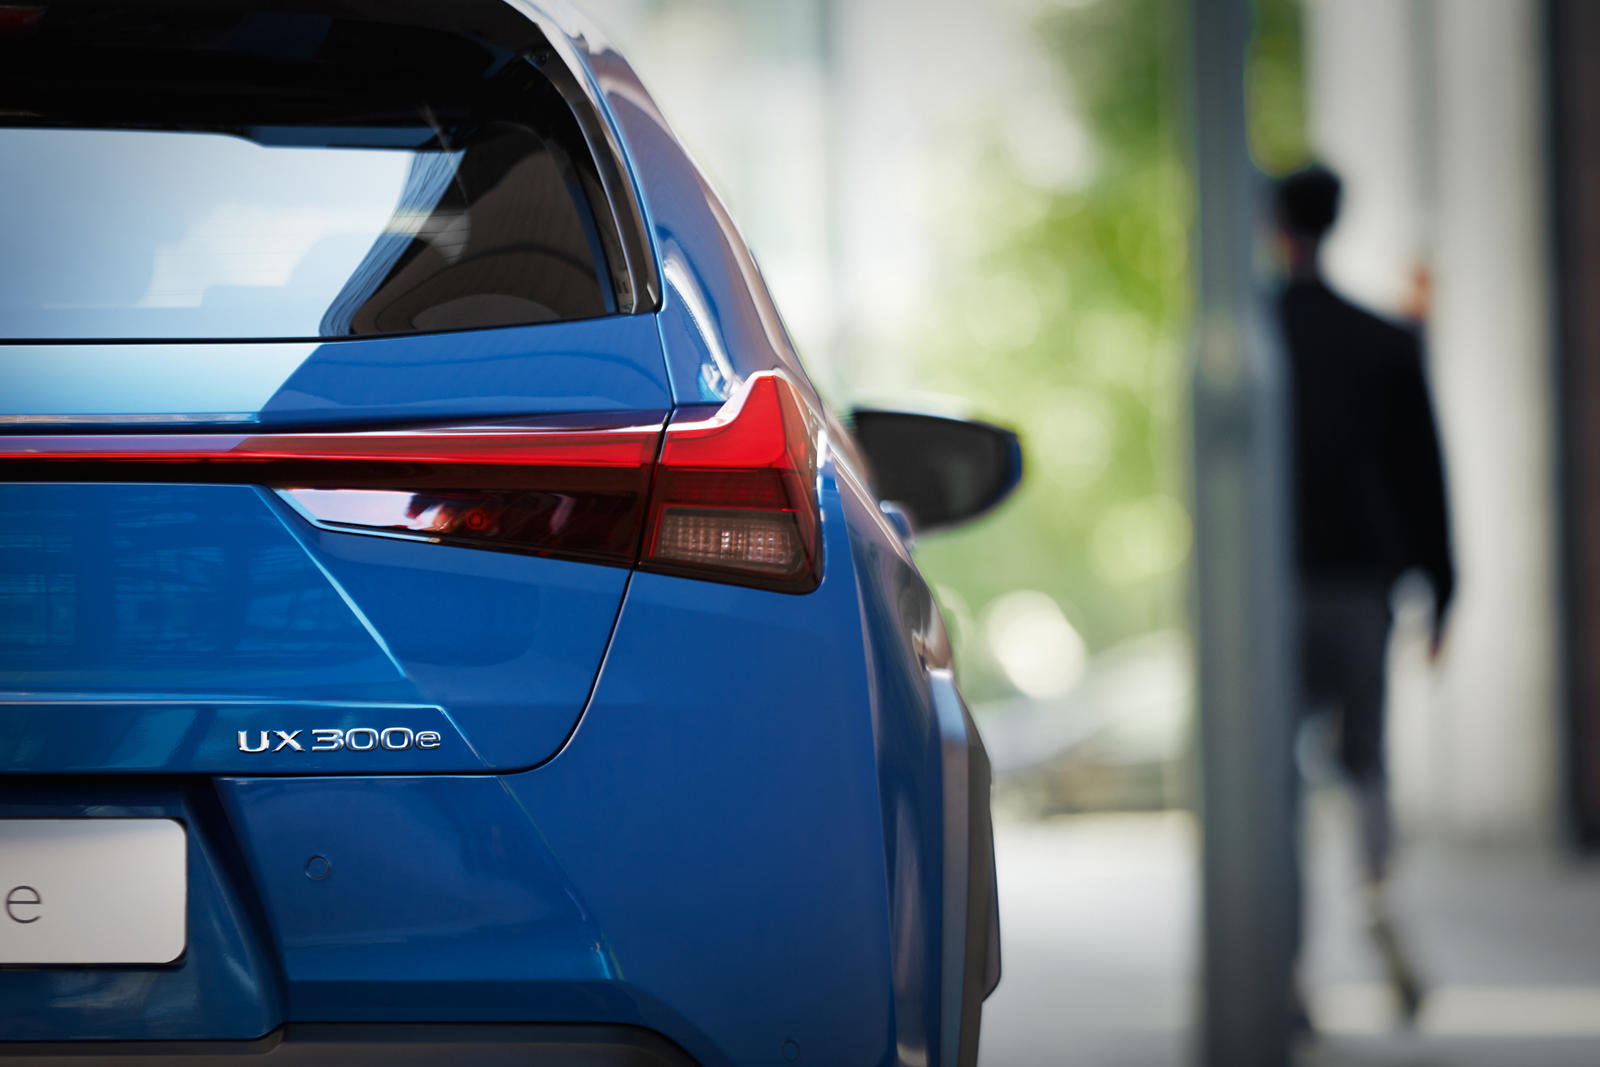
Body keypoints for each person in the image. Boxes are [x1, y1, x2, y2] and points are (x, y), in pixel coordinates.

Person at [1274, 164, 1455, 1031]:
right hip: (1361, 584)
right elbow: (1428, 475)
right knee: (1366, 760)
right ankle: (1376, 894)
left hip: (1273, 588)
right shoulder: (1385, 341)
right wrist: (1445, 587)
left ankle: (1288, 967)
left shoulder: (1254, 336)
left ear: (1276, 226)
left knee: (1275, 777)